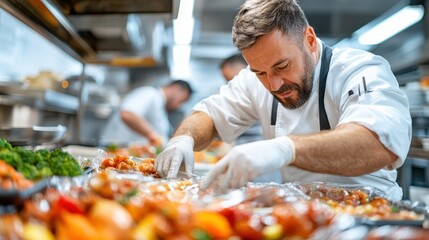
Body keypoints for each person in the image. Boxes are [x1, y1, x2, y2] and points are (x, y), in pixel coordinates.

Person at [155, 0, 411, 200]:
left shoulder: (360, 70)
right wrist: (184, 138)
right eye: (261, 72)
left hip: (370, 215)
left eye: (282, 66)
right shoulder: (254, 80)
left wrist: (285, 148)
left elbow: (378, 143)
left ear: (309, 40)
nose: (274, 84)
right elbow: (210, 113)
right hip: (299, 216)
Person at [100, 80, 193, 147]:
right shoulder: (150, 94)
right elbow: (127, 114)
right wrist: (154, 137)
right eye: (182, 101)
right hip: (113, 149)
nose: (179, 106)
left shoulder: (161, 109)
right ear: (175, 89)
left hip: (128, 153)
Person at [220, 53, 264, 145]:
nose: (232, 84)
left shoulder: (265, 94)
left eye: (233, 79)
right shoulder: (237, 99)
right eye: (228, 81)